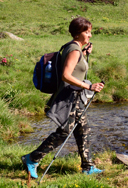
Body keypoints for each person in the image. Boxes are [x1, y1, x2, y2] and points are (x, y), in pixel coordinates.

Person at [22, 17, 105, 178]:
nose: (90, 35)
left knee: (83, 130)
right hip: (69, 98)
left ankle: (88, 166)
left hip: (75, 98)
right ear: (78, 34)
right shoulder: (74, 50)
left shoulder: (73, 48)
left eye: (90, 32)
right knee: (64, 132)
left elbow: (73, 67)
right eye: (87, 32)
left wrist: (84, 53)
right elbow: (66, 75)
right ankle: (32, 159)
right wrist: (89, 86)